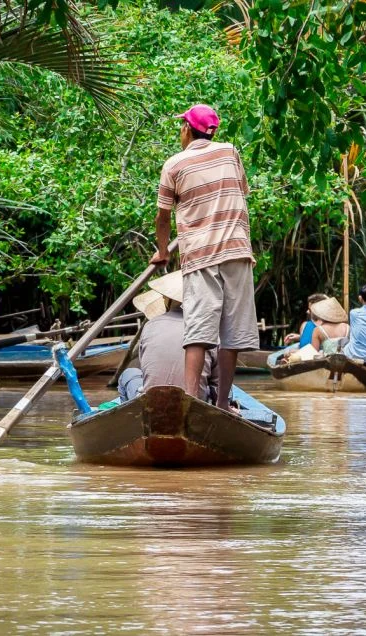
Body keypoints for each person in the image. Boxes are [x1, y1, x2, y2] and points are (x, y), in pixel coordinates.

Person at [151, 104, 258, 411]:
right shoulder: (230, 152)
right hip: (237, 250)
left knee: (198, 331)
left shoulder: (174, 164)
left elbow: (162, 218)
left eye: (181, 126)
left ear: (187, 129)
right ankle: (222, 403)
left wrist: (162, 252)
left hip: (200, 254)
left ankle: (190, 401)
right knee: (231, 333)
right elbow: (239, 191)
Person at [118, 271, 218, 403]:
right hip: (195, 402)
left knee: (129, 374)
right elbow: (217, 382)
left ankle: (134, 414)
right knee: (223, 387)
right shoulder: (208, 327)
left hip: (152, 401)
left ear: (167, 300)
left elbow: (146, 368)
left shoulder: (150, 325)